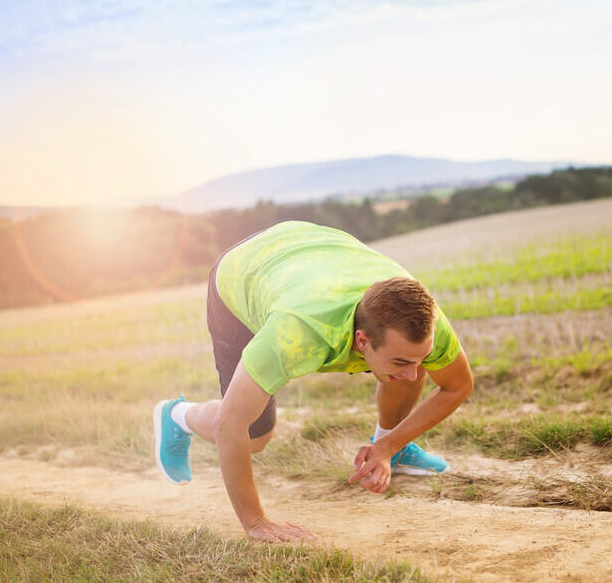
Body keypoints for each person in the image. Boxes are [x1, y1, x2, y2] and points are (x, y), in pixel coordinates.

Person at [152, 221, 474, 543]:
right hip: (244, 273)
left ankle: (393, 446)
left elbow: (458, 385)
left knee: (405, 370)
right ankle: (178, 414)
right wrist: (255, 521)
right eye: (403, 360)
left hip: (311, 250)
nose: (415, 373)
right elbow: (229, 424)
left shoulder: (422, 321)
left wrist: (388, 445)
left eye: (421, 358)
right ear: (362, 341)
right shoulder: (297, 332)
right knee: (254, 437)